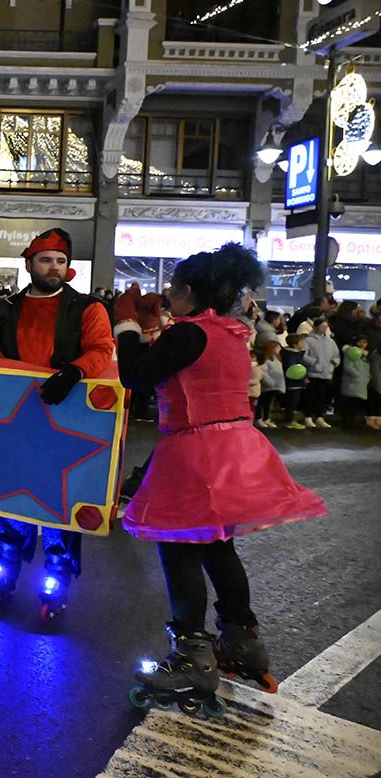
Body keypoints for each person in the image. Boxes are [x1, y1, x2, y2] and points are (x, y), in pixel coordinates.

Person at [112, 244, 326, 711]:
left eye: (172, 289)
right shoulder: (231, 331)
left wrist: (126, 325)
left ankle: (191, 656)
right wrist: (153, 328)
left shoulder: (188, 333)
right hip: (235, 445)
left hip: (195, 449)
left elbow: (134, 375)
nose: (168, 296)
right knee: (217, 545)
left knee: (179, 547)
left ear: (188, 290)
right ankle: (242, 642)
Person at [0, 228, 113, 615]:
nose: (54, 267)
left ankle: (56, 582)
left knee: (57, 503)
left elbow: (102, 349)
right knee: (11, 497)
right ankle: (5, 573)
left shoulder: (87, 308)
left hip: (63, 415)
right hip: (14, 418)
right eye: (46, 259)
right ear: (29, 264)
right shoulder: (3, 308)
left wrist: (75, 372)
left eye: (61, 261)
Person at [303, 317, 339, 428]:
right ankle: (308, 416)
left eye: (326, 327)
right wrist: (313, 362)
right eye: (322, 326)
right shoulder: (308, 340)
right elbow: (304, 355)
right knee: (310, 396)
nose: (324, 329)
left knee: (321, 396)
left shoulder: (330, 341)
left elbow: (335, 356)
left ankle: (319, 416)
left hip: (325, 373)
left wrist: (332, 365)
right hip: (313, 372)